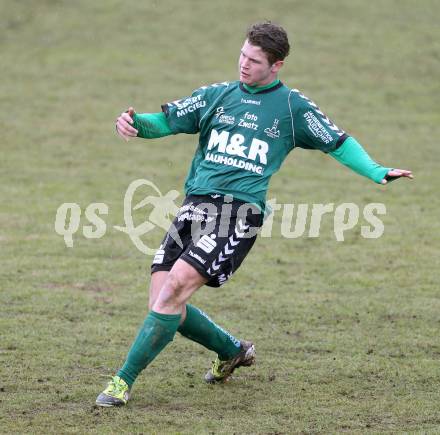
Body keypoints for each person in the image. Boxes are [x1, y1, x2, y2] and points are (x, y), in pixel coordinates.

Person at [96, 21, 412, 407]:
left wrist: (377, 171)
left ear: (276, 65)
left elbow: (338, 142)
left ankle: (121, 383)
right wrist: (134, 123)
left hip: (239, 212)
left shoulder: (293, 108)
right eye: (243, 55)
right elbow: (167, 120)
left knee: (175, 288)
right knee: (162, 304)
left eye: (255, 60)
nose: (244, 65)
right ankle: (232, 350)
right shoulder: (218, 95)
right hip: (195, 206)